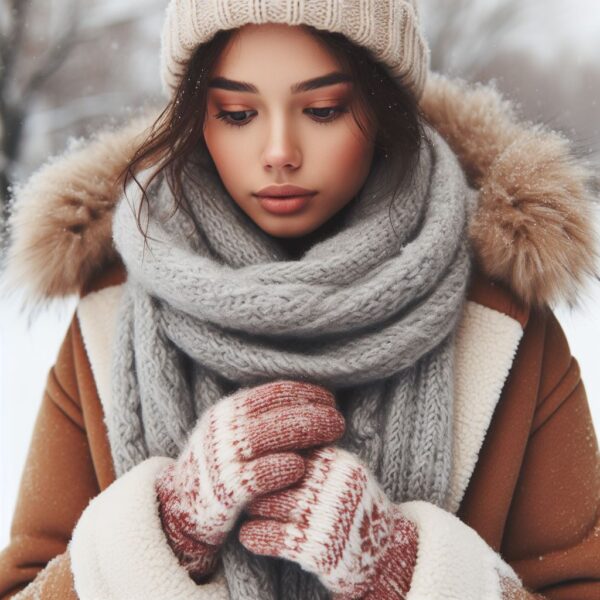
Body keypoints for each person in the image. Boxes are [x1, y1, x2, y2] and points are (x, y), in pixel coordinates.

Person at [1, 1, 599, 598]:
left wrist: (407, 572)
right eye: (236, 113)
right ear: (195, 116)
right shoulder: (108, 311)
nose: (279, 150)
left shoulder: (501, 317)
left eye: (322, 109)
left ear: (384, 106)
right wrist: (163, 532)